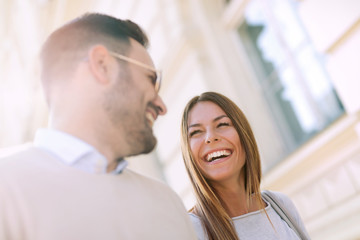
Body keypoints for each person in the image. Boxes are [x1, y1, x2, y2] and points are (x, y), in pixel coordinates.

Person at [0, 13, 197, 240]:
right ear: (102, 65)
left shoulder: (167, 202)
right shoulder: (6, 188)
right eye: (151, 79)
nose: (162, 106)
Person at [180, 91, 310, 240]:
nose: (210, 137)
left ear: (244, 135)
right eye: (196, 132)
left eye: (222, 124)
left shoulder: (280, 205)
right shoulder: (189, 231)